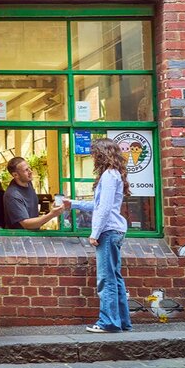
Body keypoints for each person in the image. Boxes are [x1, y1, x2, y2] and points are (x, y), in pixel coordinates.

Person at [65, 138, 132, 334]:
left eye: (95, 154)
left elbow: (103, 209)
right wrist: (74, 204)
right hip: (114, 230)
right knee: (115, 278)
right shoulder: (113, 174)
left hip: (108, 231)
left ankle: (109, 322)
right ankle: (122, 321)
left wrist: (95, 233)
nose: (93, 157)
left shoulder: (109, 176)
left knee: (106, 279)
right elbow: (100, 205)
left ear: (102, 154)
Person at [3, 156, 65, 229]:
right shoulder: (12, 195)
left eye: (29, 168)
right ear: (15, 175)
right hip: (20, 238)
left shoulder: (28, 184)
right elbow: (26, 224)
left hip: (32, 236)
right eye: (26, 170)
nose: (30, 171)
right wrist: (52, 214)